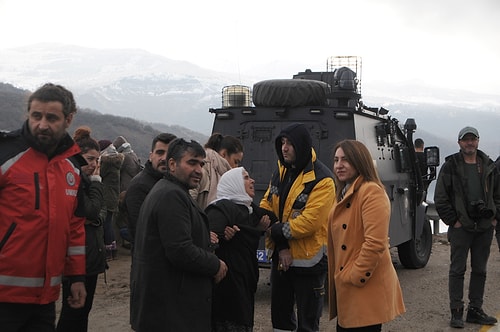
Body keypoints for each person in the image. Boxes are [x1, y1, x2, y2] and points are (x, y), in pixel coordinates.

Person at [0, 83, 86, 331]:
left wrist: (77, 278)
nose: (42, 124)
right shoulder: (6, 154)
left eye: (51, 117)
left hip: (45, 299)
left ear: (68, 119)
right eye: (36, 116)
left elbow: (75, 227)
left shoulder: (72, 168)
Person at [131, 138, 228, 332]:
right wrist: (215, 264)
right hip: (170, 312)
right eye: (192, 162)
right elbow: (180, 249)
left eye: (201, 164)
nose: (199, 170)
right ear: (172, 164)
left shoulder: (172, 191)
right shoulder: (171, 195)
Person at [260, 123, 335, 332]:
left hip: (309, 263)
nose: (284, 148)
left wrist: (274, 230)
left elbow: (309, 222)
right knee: (281, 320)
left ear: (301, 146)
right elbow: (266, 205)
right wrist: (281, 243)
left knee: (308, 323)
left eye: (290, 144)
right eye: (282, 143)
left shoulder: (322, 180)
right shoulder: (281, 171)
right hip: (281, 259)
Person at [327, 139, 405, 331]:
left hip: (363, 287)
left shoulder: (371, 192)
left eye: (345, 159)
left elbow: (376, 243)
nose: (339, 165)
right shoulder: (346, 192)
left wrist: (355, 276)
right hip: (348, 287)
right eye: (336, 160)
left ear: (359, 161)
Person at [434, 126, 500, 328]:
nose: (469, 143)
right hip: (461, 227)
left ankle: (475, 310)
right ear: (459, 142)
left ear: (478, 141)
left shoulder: (488, 165)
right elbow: (440, 197)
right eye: (466, 140)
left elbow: (497, 194)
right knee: (457, 270)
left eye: (473, 139)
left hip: (484, 227)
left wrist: (494, 216)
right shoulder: (451, 165)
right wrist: (453, 220)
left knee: (480, 270)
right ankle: (456, 312)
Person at [206, 167, 277, 332]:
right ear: (234, 184)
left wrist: (258, 228)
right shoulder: (221, 208)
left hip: (244, 283)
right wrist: (222, 236)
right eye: (245, 178)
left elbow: (273, 219)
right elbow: (208, 237)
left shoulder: (248, 208)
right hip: (228, 288)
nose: (252, 181)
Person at [125, 132, 176, 331]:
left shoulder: (172, 184)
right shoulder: (139, 187)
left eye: (169, 152)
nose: (164, 158)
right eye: (160, 152)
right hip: (150, 274)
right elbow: (142, 235)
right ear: (150, 155)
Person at [57, 127, 107, 332]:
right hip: (78, 258)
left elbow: (99, 214)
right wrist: (96, 182)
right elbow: (92, 210)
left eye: (97, 160)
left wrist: (93, 218)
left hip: (92, 255)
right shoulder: (76, 181)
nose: (93, 164)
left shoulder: (85, 182)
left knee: (83, 312)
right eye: (89, 159)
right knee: (73, 314)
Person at [191, 133, 244, 209]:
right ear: (224, 154)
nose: (236, 167)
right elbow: (188, 202)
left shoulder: (221, 175)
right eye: (235, 162)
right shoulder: (202, 170)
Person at [98, 139, 124, 260]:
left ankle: (108, 250)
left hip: (106, 196)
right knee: (109, 223)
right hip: (113, 195)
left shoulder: (107, 163)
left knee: (106, 224)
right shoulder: (116, 161)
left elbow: (100, 174)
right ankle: (113, 249)